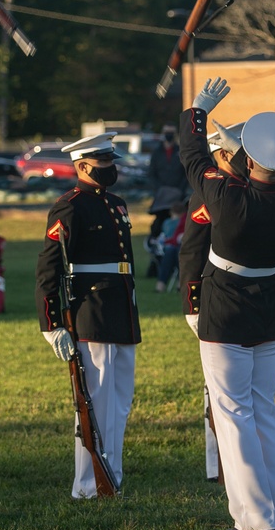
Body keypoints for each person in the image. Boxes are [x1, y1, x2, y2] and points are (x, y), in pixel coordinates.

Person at [182, 78, 275, 530]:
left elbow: (194, 158)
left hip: (226, 306)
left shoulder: (225, 196)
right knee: (264, 410)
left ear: (247, 159)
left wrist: (197, 112)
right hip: (268, 305)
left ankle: (255, 518)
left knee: (233, 414)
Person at [35, 131, 141, 499]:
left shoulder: (117, 203)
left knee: (121, 399)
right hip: (91, 311)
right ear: (81, 166)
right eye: (103, 163)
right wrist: (52, 325)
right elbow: (49, 266)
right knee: (95, 401)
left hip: (122, 310)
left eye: (112, 162)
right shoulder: (70, 206)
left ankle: (112, 475)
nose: (110, 169)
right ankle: (88, 483)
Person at [178, 121, 249, 482]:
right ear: (221, 154)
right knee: (217, 389)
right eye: (238, 152)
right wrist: (193, 305)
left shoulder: (247, 189)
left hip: (244, 298)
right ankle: (216, 463)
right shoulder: (207, 194)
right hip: (214, 297)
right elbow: (192, 252)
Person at [147, 123, 189, 243]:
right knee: (160, 221)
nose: (168, 135)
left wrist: (180, 190)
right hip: (161, 195)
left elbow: (185, 174)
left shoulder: (180, 152)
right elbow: (151, 173)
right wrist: (159, 189)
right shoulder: (157, 152)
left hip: (177, 195)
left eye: (171, 132)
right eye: (166, 132)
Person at [154, 201, 187, 292]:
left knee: (172, 251)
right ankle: (180, 282)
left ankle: (161, 284)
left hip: (181, 247)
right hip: (176, 247)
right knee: (171, 251)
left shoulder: (181, 221)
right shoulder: (181, 220)